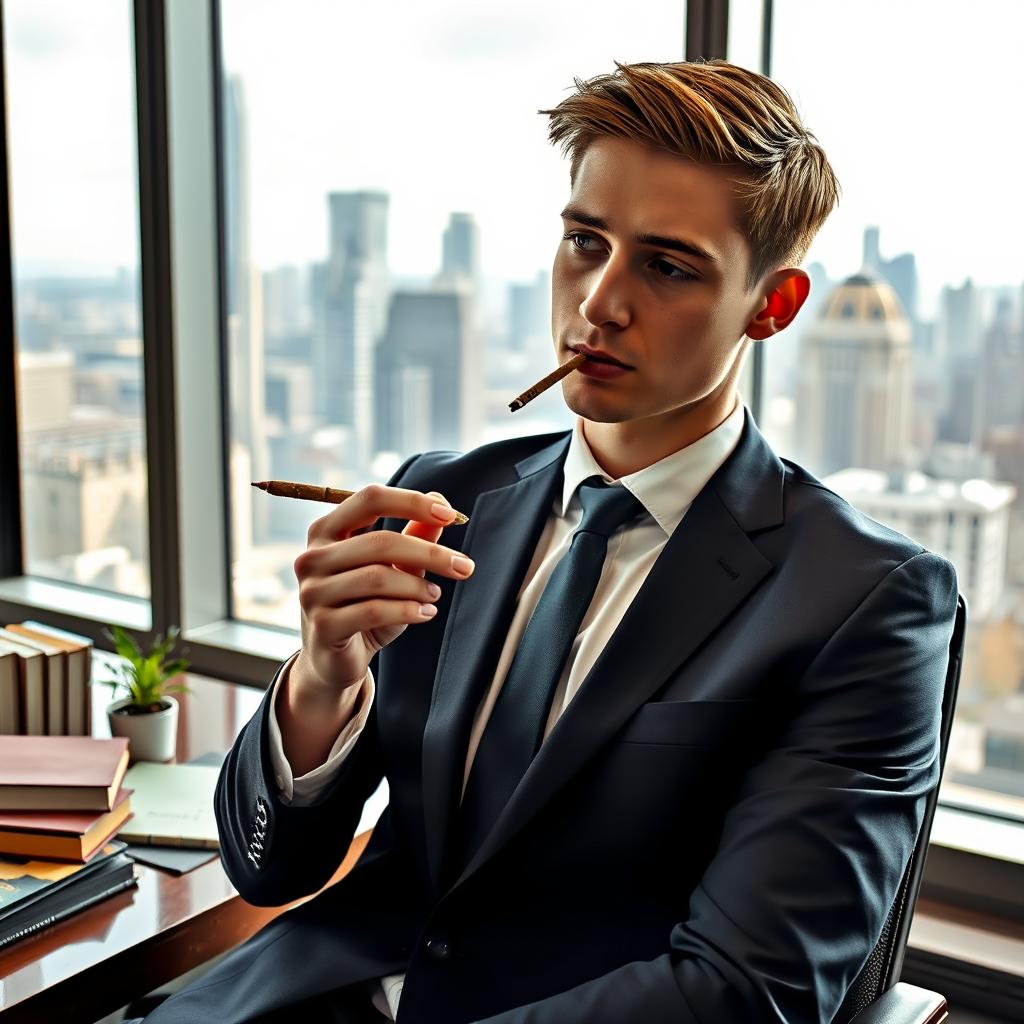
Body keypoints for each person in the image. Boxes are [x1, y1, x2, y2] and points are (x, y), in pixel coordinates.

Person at [136, 59, 959, 1023]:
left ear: (771, 306)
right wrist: (321, 680)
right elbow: (271, 869)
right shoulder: (441, 496)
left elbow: (745, 995)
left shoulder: (864, 598)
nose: (599, 303)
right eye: (584, 242)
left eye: (666, 265)